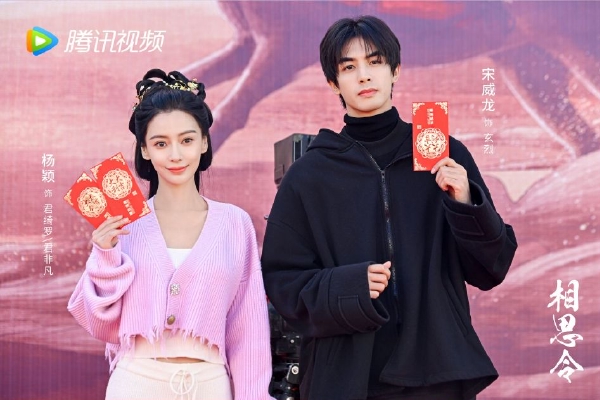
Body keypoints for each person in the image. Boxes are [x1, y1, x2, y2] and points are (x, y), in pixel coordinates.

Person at [261, 16, 518, 400]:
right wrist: (347, 288)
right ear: (333, 82)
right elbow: (282, 283)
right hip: (347, 378)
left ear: (395, 69)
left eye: (375, 62)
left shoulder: (444, 156)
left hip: (437, 375)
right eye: (349, 67)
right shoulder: (309, 175)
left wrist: (466, 203)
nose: (364, 76)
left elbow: (491, 268)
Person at [68, 69, 274, 400]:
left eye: (187, 140)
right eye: (161, 143)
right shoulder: (123, 225)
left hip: (209, 385)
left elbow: (248, 330)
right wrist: (105, 255)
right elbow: (100, 324)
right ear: (145, 150)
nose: (175, 155)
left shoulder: (235, 224)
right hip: (137, 383)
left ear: (204, 142)